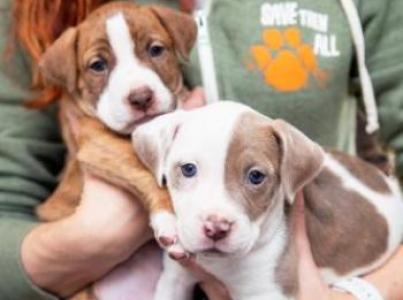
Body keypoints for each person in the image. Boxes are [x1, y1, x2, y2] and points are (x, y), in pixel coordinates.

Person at [0, 0, 402, 299]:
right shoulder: (37, 12)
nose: (137, 89)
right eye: (99, 65)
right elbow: (9, 200)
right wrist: (92, 240)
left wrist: (364, 293)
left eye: (156, 50)